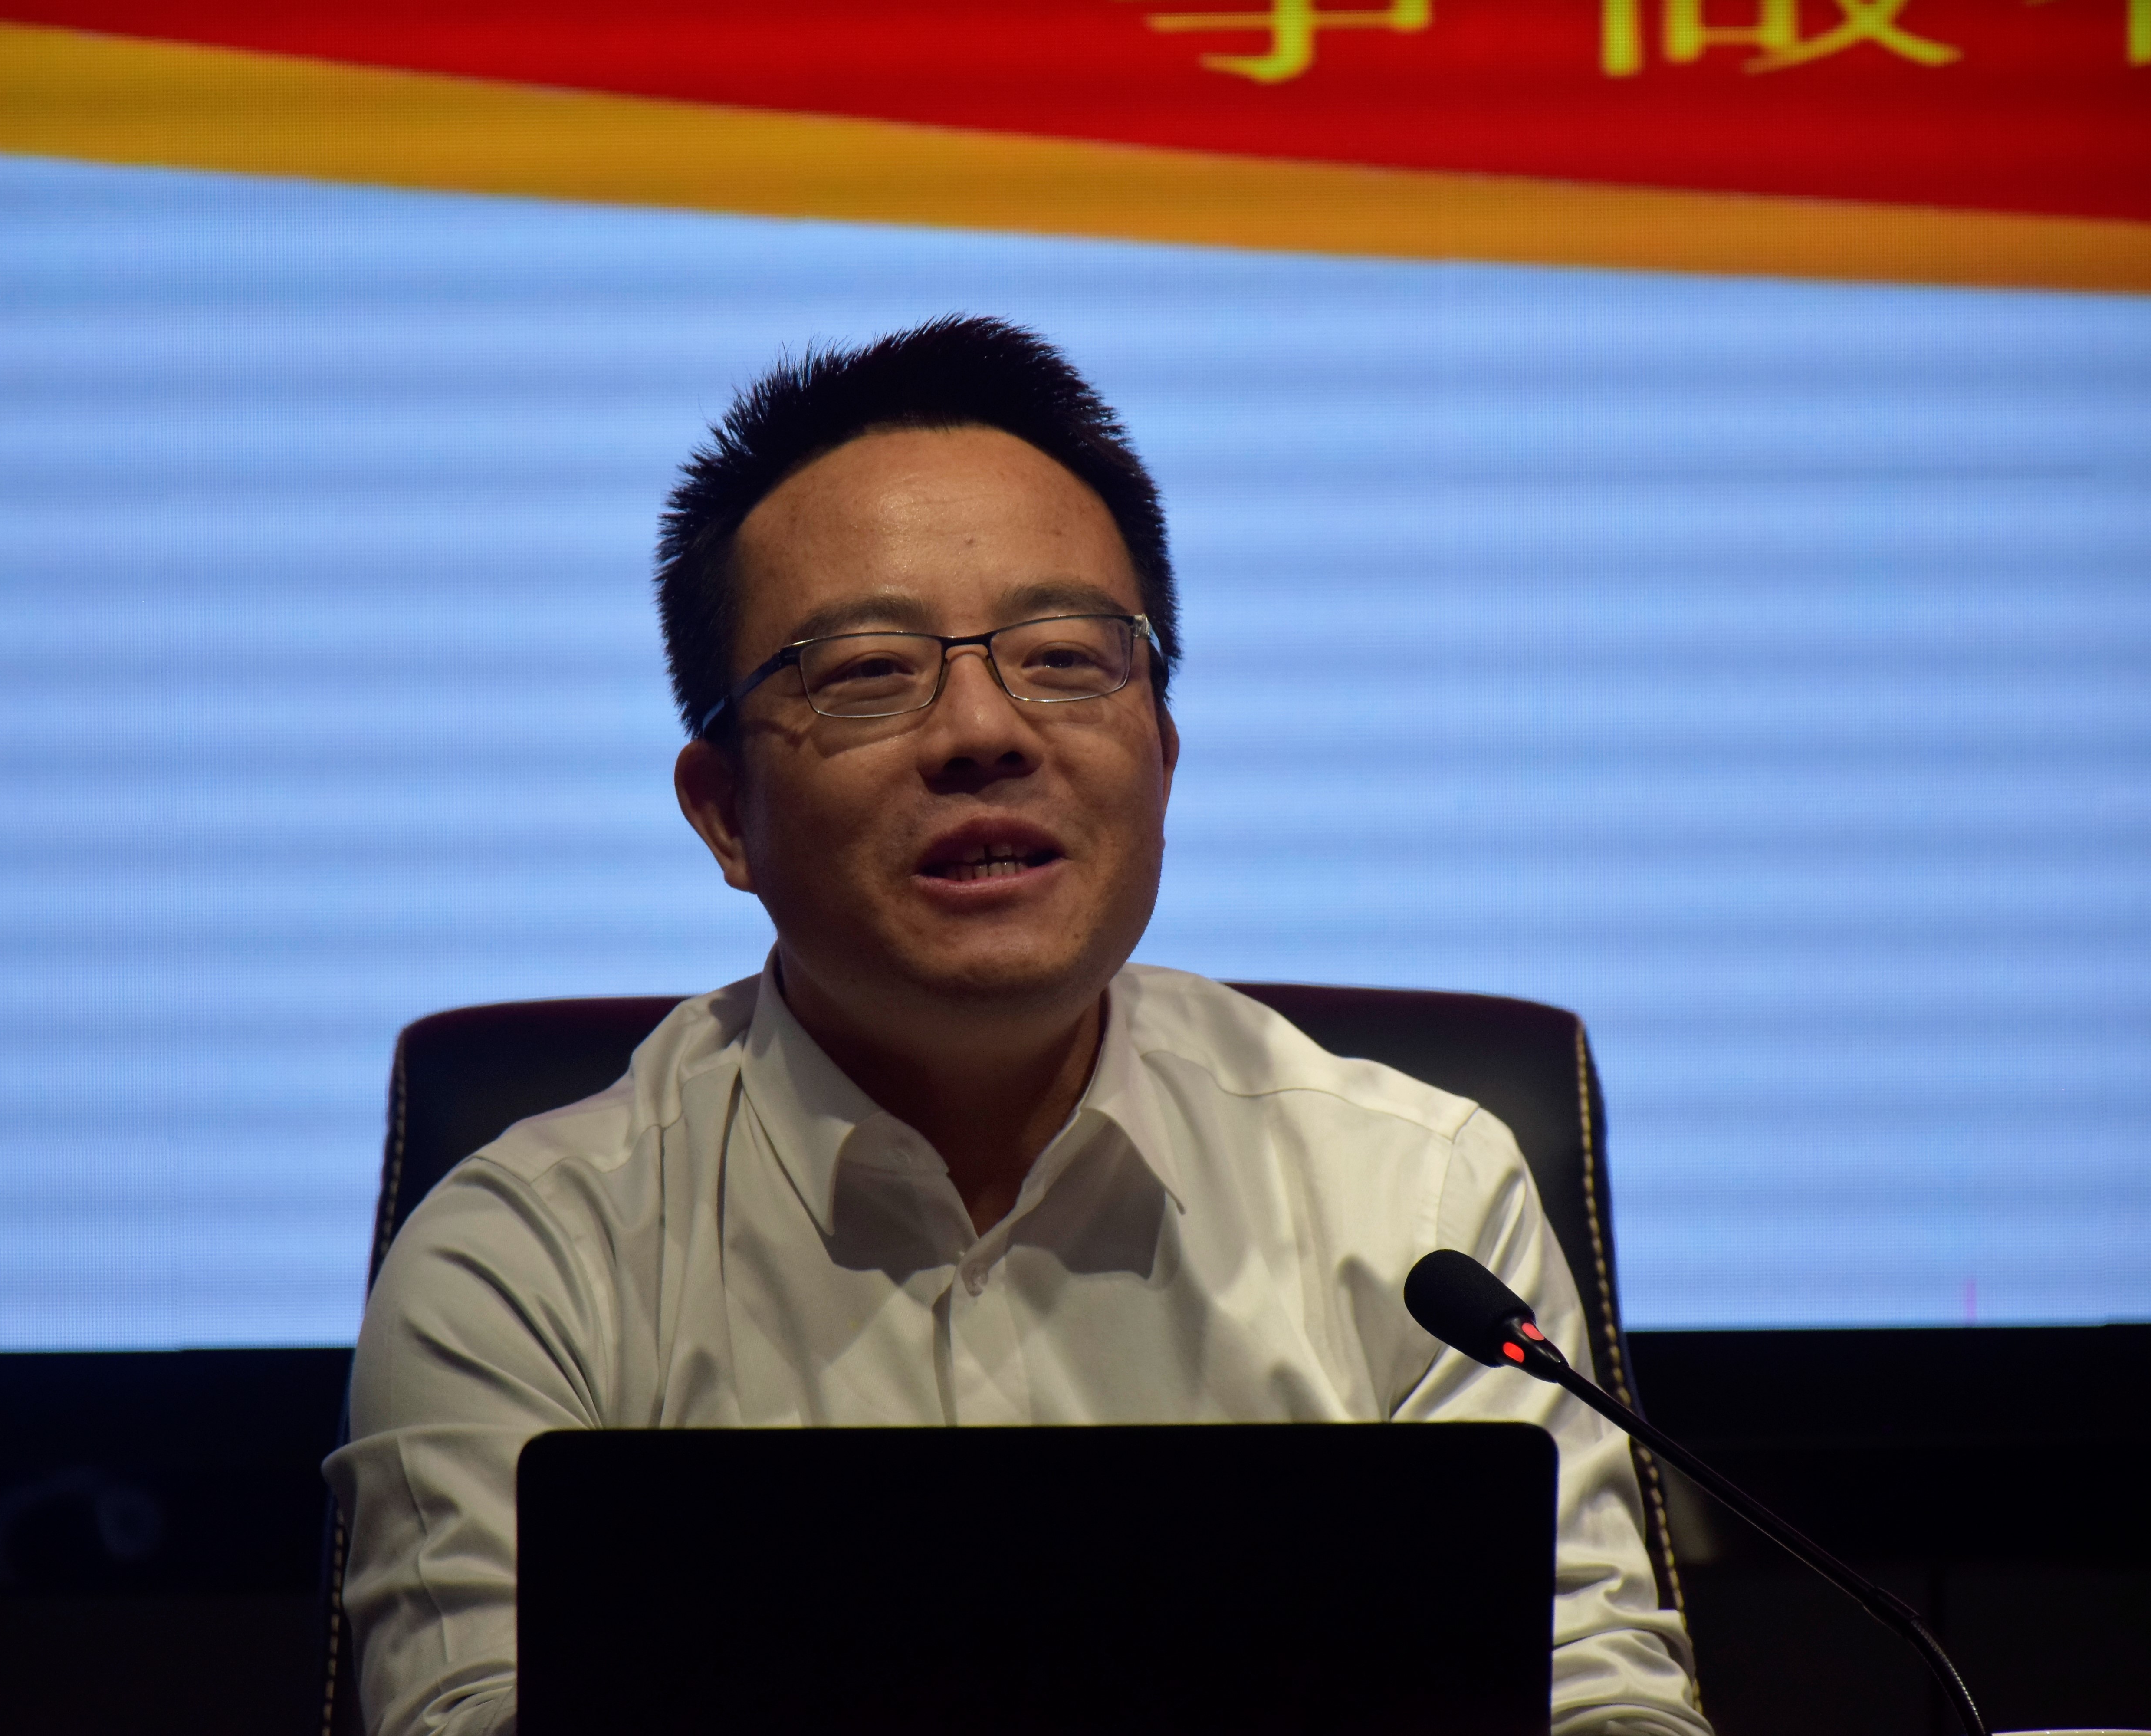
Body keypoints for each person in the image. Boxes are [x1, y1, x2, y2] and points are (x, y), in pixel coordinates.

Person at [326, 316, 1711, 1736]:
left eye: (1062, 656)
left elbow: (1599, 1706)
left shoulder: (1414, 1206)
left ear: (1162, 755)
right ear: (725, 813)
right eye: (869, 671)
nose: (983, 731)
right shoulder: (529, 1264)